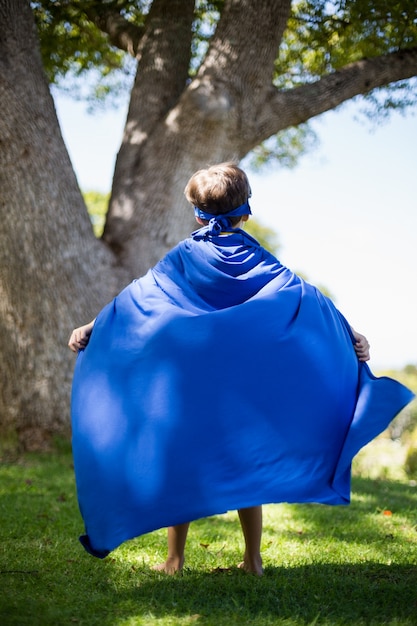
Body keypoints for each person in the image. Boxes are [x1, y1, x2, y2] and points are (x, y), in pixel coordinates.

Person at [68, 163, 413, 575]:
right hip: (242, 391)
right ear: (246, 213)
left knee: (186, 459)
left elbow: (134, 301)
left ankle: (174, 561)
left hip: (193, 386)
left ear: (197, 214)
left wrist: (90, 327)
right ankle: (253, 560)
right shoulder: (257, 258)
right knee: (247, 461)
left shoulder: (185, 256)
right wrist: (352, 335)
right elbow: (308, 297)